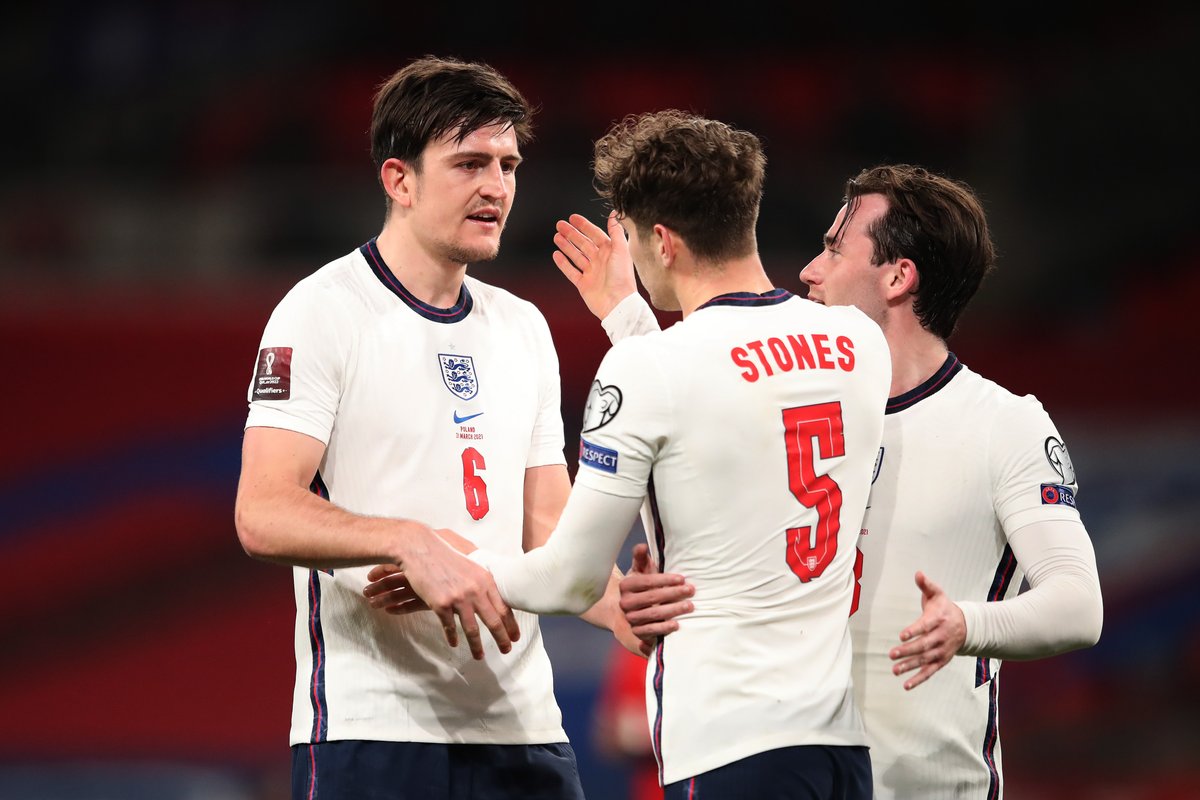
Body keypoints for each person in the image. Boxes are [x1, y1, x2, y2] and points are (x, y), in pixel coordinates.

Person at [371, 110, 892, 799]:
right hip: (841, 747)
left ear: (663, 243)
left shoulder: (648, 371)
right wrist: (627, 317)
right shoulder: (859, 343)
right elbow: (734, 397)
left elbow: (570, 580)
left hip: (729, 742)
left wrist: (457, 567)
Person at [593, 164, 1105, 799]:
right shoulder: (788, 407)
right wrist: (628, 317)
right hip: (795, 778)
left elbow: (1078, 603)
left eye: (835, 249)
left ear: (897, 277)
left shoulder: (1003, 424)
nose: (809, 270)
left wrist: (966, 626)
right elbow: (684, 400)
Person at [234, 55, 634, 800]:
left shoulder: (523, 326)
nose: (497, 187)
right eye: (469, 164)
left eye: (508, 165)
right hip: (375, 729)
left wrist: (624, 610)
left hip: (523, 729)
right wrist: (408, 540)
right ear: (400, 180)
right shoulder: (322, 311)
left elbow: (549, 531)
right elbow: (260, 511)